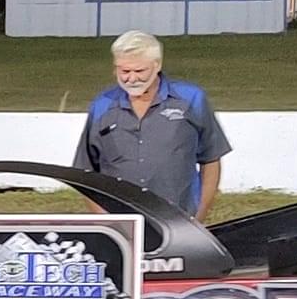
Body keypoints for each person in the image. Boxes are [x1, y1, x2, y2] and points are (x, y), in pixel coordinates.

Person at [74, 30, 230, 219]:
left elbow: (211, 160)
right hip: (122, 223)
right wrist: (108, 221)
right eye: (124, 71)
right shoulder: (102, 106)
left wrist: (200, 215)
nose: (131, 79)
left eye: (139, 71)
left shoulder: (191, 99)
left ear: (157, 65)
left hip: (180, 220)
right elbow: (86, 172)